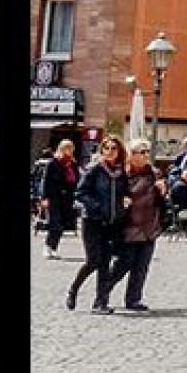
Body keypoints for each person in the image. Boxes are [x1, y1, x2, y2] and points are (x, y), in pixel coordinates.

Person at [99, 139, 165, 312]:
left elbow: (161, 199)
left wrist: (162, 191)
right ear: (132, 154)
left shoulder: (154, 172)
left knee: (142, 266)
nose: (146, 155)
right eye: (142, 152)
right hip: (128, 226)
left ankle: (133, 299)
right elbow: (113, 195)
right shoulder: (122, 174)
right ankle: (102, 294)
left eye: (147, 151)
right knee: (123, 264)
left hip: (149, 225)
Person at [67, 134, 125, 313]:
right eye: (106, 148)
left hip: (112, 222)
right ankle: (74, 289)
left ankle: (100, 303)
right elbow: (80, 193)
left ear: (119, 152)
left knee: (105, 263)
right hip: (92, 220)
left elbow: (125, 192)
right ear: (102, 150)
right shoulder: (94, 170)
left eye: (114, 148)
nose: (110, 151)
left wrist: (125, 201)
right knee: (93, 260)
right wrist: (97, 206)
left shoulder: (121, 172)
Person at [37, 139, 80, 257]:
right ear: (61, 149)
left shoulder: (73, 164)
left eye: (71, 148)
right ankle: (47, 247)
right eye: (66, 148)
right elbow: (46, 181)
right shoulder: (53, 163)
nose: (69, 151)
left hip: (67, 199)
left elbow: (77, 180)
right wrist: (44, 198)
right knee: (55, 224)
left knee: (62, 225)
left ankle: (53, 247)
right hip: (53, 197)